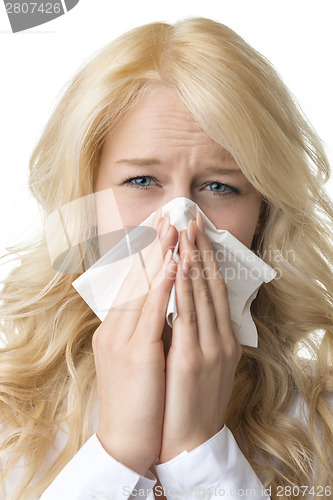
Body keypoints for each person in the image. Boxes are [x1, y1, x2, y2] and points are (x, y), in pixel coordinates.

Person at [0, 17, 332, 500]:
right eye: (141, 181)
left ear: (263, 214)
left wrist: (201, 457)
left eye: (220, 186)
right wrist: (115, 454)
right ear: (84, 205)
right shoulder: (10, 417)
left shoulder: (319, 428)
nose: (179, 223)